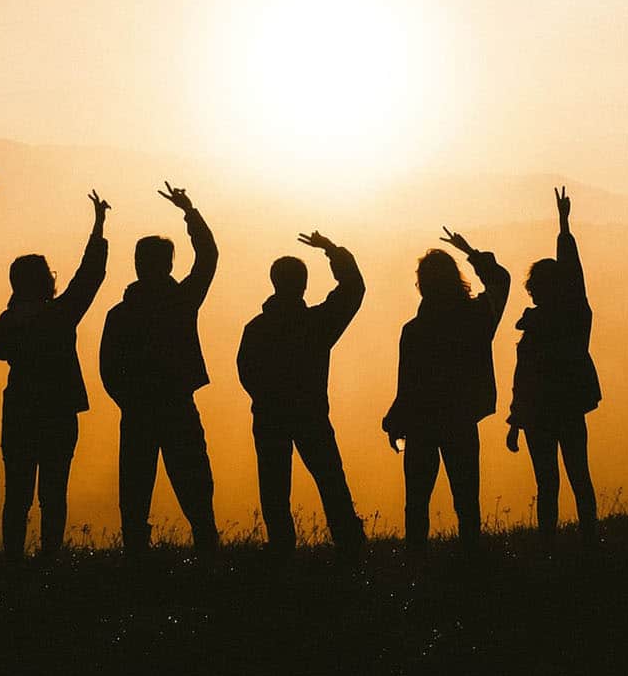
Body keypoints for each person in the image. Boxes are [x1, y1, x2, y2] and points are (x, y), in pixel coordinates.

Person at [0, 190, 110, 563]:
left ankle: (13, 562)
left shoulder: (6, 324)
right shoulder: (59, 315)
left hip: (20, 413)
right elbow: (90, 277)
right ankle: (49, 561)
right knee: (53, 493)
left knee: (17, 495)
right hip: (58, 414)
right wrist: (99, 227)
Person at [98, 182, 220, 555]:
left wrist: (128, 399)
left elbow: (108, 368)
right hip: (175, 405)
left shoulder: (122, 313)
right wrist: (190, 211)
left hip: (137, 410)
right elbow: (208, 256)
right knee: (194, 483)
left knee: (135, 487)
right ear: (167, 264)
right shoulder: (181, 301)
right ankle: (206, 549)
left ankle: (137, 555)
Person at [237, 231, 367, 560]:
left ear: (274, 283)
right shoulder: (317, 323)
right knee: (330, 478)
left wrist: (267, 399)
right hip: (311, 414)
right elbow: (354, 289)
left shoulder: (257, 328)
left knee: (274, 486)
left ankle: (281, 547)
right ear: (304, 285)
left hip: (269, 416)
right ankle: (349, 542)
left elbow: (246, 372)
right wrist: (331, 250)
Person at [383, 228, 510, 551]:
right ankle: (471, 559)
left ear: (422, 285)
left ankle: (415, 562)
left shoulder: (413, 331)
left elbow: (407, 385)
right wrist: (471, 251)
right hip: (461, 419)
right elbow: (501, 281)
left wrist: (394, 422)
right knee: (466, 499)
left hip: (422, 424)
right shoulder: (478, 317)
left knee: (417, 501)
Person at [506, 186, 602, 546]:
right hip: (566, 409)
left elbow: (523, 380)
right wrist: (563, 227)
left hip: (539, 416)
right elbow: (574, 276)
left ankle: (549, 545)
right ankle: (588, 539)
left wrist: (517, 420)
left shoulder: (543, 324)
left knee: (548, 482)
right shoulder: (575, 318)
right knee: (578, 475)